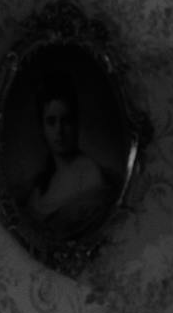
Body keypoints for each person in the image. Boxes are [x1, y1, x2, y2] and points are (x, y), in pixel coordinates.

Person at [25, 76, 119, 239]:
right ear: (42, 129)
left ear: (76, 124)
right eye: (51, 122)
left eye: (66, 120)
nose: (59, 130)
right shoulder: (43, 180)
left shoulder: (89, 174)